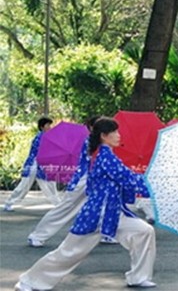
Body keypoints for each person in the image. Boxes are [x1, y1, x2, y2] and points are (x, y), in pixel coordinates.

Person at [14, 118, 157, 291]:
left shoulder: (106, 155)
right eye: (115, 132)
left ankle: (138, 277)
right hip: (95, 216)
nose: (119, 136)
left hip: (113, 214)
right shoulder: (105, 157)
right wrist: (153, 185)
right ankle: (28, 281)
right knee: (68, 253)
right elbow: (128, 178)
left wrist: (150, 185)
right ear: (104, 136)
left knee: (144, 231)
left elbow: (126, 179)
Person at [26, 116, 108, 247]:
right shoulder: (90, 142)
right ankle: (38, 235)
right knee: (66, 208)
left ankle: (107, 233)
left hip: (95, 180)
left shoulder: (100, 143)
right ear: (93, 128)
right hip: (83, 180)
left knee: (106, 204)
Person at [4, 117, 61, 211]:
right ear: (42, 127)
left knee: (50, 184)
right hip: (33, 165)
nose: (50, 127)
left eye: (50, 125)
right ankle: (9, 203)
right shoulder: (39, 137)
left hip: (44, 165)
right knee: (25, 185)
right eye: (48, 125)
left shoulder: (48, 137)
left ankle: (58, 205)